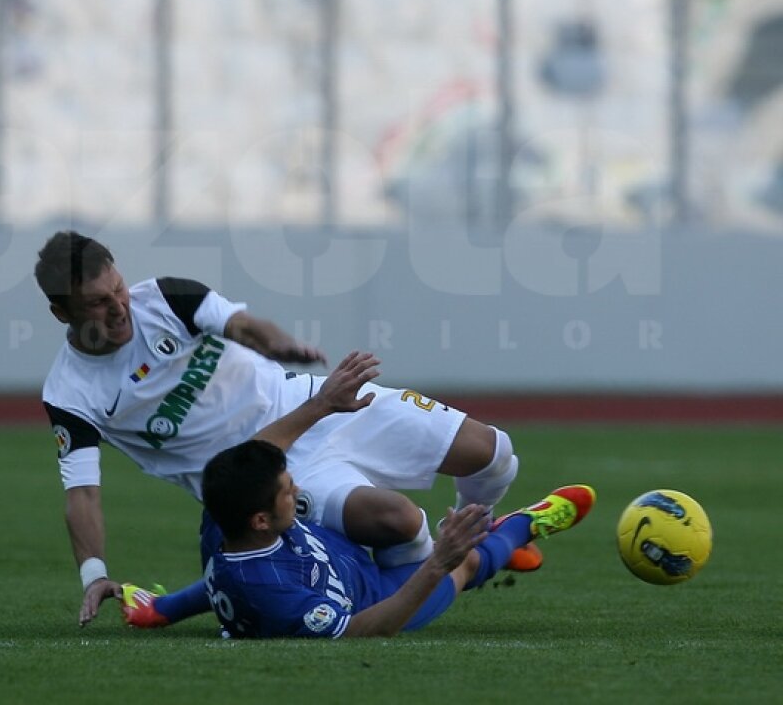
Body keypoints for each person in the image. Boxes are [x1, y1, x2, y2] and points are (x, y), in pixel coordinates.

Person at [34, 231, 533, 627]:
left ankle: (475, 531)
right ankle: (444, 569)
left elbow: (244, 326)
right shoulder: (70, 392)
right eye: (97, 303)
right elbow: (82, 494)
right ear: (62, 313)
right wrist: (94, 574)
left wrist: (282, 345)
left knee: (492, 452)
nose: (119, 307)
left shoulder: (163, 297)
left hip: (308, 400)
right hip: (261, 471)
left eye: (117, 289)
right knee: (399, 521)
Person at [123, 440, 593, 639]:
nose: (298, 492)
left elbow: (215, 583)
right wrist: (437, 563)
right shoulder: (269, 589)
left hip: (346, 556)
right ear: (262, 520)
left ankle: (467, 546)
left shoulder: (226, 522)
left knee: (401, 518)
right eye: (288, 493)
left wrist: (162, 610)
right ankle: (526, 523)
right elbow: (365, 631)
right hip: (379, 599)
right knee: (464, 563)